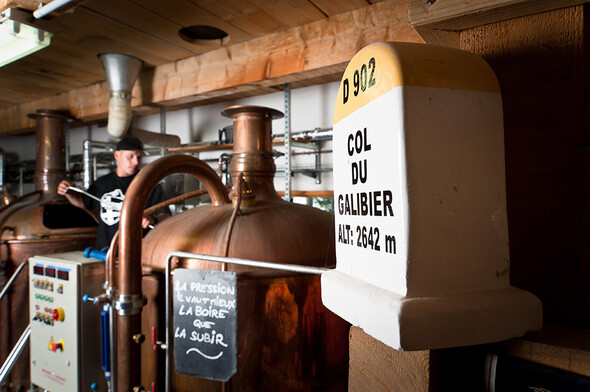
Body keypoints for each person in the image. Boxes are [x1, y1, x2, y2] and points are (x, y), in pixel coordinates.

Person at [58, 135, 169, 250]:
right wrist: (69, 193)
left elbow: (165, 216)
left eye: (139, 157)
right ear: (117, 155)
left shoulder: (149, 183)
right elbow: (83, 203)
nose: (136, 162)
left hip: (137, 254)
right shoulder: (102, 184)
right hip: (105, 252)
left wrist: (152, 219)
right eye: (130, 156)